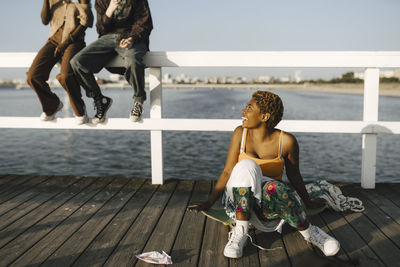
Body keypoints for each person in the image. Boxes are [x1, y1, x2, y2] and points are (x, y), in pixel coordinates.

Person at [188, 90, 340, 258]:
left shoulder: (287, 141)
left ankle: (311, 233)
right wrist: (209, 202)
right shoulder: (240, 133)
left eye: (249, 108)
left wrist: (308, 202)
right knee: (246, 165)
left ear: (265, 116)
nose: (243, 112)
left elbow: (294, 176)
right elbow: (228, 171)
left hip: (266, 206)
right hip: (237, 203)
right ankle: (241, 232)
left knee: (275, 187)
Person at [70, 0, 153, 124]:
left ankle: (139, 100)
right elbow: (100, 29)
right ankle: (100, 100)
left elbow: (145, 24)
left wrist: (132, 38)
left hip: (133, 38)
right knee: (77, 62)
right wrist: (109, 11)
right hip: (108, 38)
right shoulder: (101, 1)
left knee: (132, 59)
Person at [27, 0, 93, 125]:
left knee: (65, 76)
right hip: (53, 41)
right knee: (33, 76)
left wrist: (65, 43)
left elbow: (87, 22)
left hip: (74, 41)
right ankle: (52, 105)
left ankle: (80, 110)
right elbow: (45, 20)